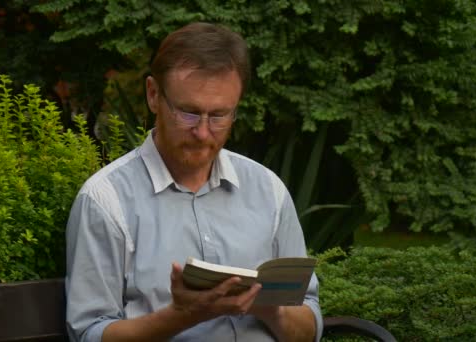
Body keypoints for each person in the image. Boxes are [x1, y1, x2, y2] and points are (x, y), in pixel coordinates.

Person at [65, 22, 322, 342]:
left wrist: (271, 310)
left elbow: (309, 323)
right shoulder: (106, 200)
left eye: (219, 116)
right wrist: (179, 317)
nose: (202, 133)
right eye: (188, 112)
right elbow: (90, 333)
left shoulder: (267, 190)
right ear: (154, 95)